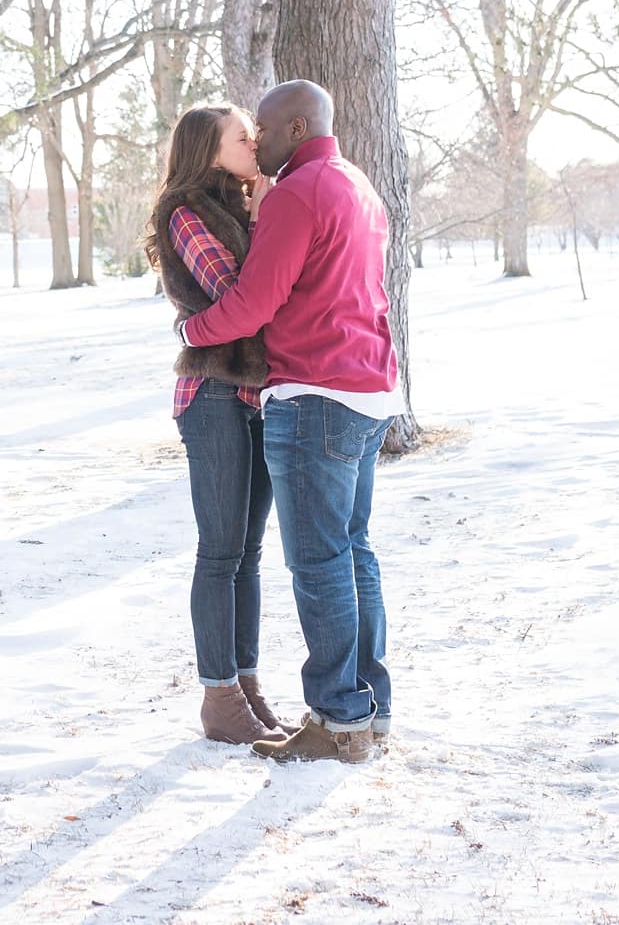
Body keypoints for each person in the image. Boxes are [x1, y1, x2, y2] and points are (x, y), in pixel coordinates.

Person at [178, 80, 404, 764]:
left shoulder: (297, 192)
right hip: (368, 387)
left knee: (319, 560)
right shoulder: (357, 185)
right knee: (354, 551)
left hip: (313, 391)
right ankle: (371, 707)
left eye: (267, 131)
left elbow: (253, 303)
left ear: (299, 126)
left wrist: (194, 329)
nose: (260, 142)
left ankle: (338, 720)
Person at [144, 104, 292, 745]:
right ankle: (218, 695)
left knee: (249, 554)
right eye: (242, 136)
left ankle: (247, 684)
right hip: (211, 393)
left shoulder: (236, 204)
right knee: (220, 551)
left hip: (252, 394)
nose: (254, 142)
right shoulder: (188, 213)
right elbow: (241, 295)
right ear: (209, 148)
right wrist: (264, 219)